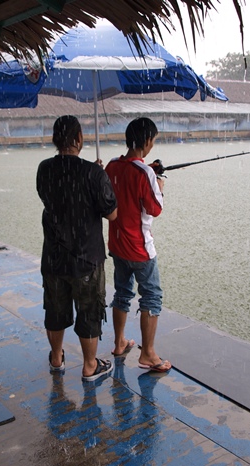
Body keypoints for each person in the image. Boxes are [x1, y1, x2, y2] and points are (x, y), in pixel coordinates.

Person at [36, 115, 118, 382]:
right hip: (86, 259)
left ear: (56, 139)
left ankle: (57, 358)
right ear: (79, 139)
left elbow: (57, 196)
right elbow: (112, 213)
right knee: (90, 311)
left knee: (55, 311)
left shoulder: (44, 169)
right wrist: (97, 177)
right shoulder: (93, 174)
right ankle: (90, 365)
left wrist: (89, 176)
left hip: (54, 257)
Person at [105, 117, 172, 372]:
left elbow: (119, 190)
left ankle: (119, 342)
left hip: (118, 245)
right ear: (146, 141)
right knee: (152, 296)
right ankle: (149, 354)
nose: (153, 144)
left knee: (122, 292)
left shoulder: (111, 166)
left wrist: (149, 174)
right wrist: (160, 184)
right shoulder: (145, 174)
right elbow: (155, 208)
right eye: (153, 140)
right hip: (140, 249)